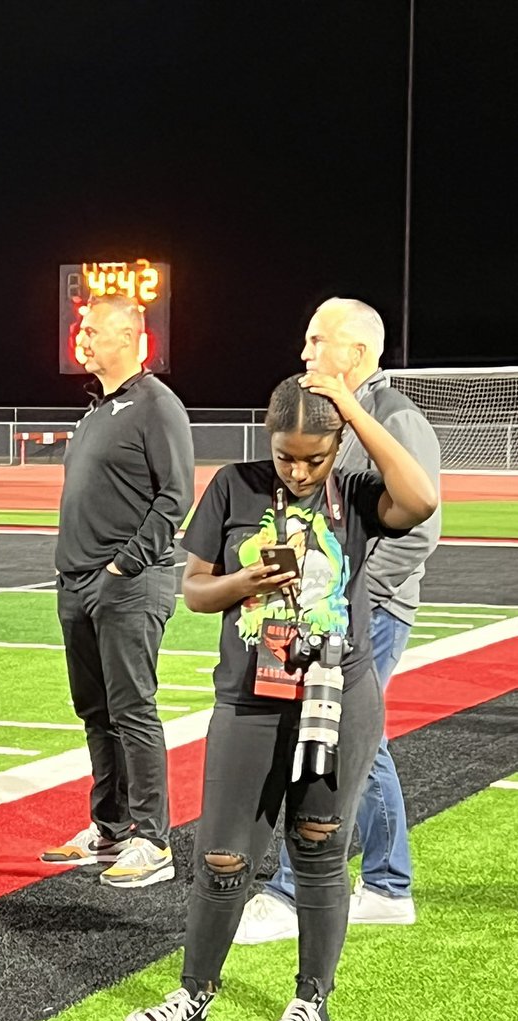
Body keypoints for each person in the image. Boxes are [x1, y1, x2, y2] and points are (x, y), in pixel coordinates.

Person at [124, 372, 437, 1021]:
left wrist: (352, 407)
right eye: (286, 454)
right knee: (223, 856)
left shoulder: (354, 493)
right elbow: (196, 592)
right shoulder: (235, 484)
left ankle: (311, 1003)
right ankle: (194, 992)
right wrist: (245, 583)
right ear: (266, 440)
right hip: (248, 699)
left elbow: (422, 497)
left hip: (336, 696)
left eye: (314, 457)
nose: (297, 470)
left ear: (338, 446)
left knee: (320, 847)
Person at [235, 298, 441, 945]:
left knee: (324, 740)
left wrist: (356, 600)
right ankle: (386, 884)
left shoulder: (394, 417)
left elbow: (419, 530)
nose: (305, 352)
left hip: (365, 615)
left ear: (355, 353)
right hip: (329, 612)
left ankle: (295, 892)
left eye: (317, 339)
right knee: (359, 743)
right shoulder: (338, 419)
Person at [40, 294, 195, 888]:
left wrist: (122, 568)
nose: (82, 337)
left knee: (133, 710)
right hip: (78, 584)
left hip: (126, 585)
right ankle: (108, 829)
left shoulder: (157, 406)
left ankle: (151, 840)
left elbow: (175, 496)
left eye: (93, 329)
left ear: (130, 337)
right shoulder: (97, 411)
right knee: (96, 711)